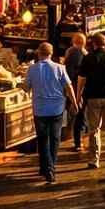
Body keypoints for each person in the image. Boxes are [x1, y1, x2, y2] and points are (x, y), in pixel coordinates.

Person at [26, 42, 73, 186]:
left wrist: (21, 85)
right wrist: (75, 103)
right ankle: (50, 167)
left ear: (39, 53)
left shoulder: (32, 69)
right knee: (54, 138)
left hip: (40, 109)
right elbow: (68, 87)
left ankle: (46, 167)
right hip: (57, 108)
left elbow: (27, 88)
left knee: (42, 139)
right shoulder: (60, 68)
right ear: (51, 54)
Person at [77, 32, 105, 170]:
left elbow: (81, 79)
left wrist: (78, 95)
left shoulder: (88, 58)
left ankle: (94, 159)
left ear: (94, 43)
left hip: (93, 96)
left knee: (94, 129)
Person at [63, 31, 87, 150]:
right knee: (79, 115)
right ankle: (78, 140)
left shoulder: (73, 53)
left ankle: (76, 140)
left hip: (75, 89)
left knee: (77, 114)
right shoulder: (83, 53)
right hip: (81, 90)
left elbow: (71, 74)